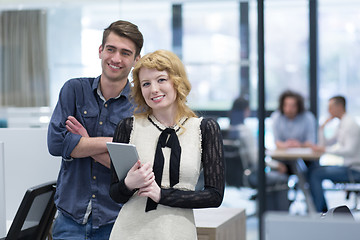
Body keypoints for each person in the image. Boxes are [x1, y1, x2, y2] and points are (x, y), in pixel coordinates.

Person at [108, 49, 225, 239]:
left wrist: (161, 195)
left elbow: (215, 196)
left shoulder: (204, 129)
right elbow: (115, 193)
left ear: (176, 81)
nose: (153, 89)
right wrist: (129, 184)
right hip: (129, 232)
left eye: (161, 80)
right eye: (146, 83)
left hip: (178, 232)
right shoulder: (128, 127)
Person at [47, 20, 143, 239]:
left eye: (125, 53)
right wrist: (113, 143)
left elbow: (134, 170)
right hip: (69, 220)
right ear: (100, 51)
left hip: (117, 221)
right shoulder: (74, 90)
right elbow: (55, 144)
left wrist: (83, 141)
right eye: (111, 49)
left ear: (136, 60)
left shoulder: (141, 105)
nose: (116, 58)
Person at [226, 96, 289, 210]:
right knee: (282, 178)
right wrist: (276, 165)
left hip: (233, 177)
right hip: (251, 175)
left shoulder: (230, 129)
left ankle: (268, 212)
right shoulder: (245, 131)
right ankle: (278, 216)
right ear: (245, 110)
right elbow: (255, 159)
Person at [309, 95, 360, 212]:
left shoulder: (350, 125)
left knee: (316, 174)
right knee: (313, 169)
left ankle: (319, 212)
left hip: (354, 170)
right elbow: (326, 143)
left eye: (330, 108)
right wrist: (322, 128)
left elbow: (349, 151)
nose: (328, 111)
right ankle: (322, 209)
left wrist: (325, 150)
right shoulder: (341, 124)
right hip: (347, 167)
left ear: (340, 107)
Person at [271, 90, 318, 174]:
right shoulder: (276, 117)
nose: (289, 109)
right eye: (287, 105)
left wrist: (299, 144)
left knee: (312, 171)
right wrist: (287, 145)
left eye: (293, 106)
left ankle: (305, 185)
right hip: (283, 158)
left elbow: (311, 141)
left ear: (298, 106)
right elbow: (277, 142)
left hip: (306, 158)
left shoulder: (308, 118)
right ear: (282, 106)